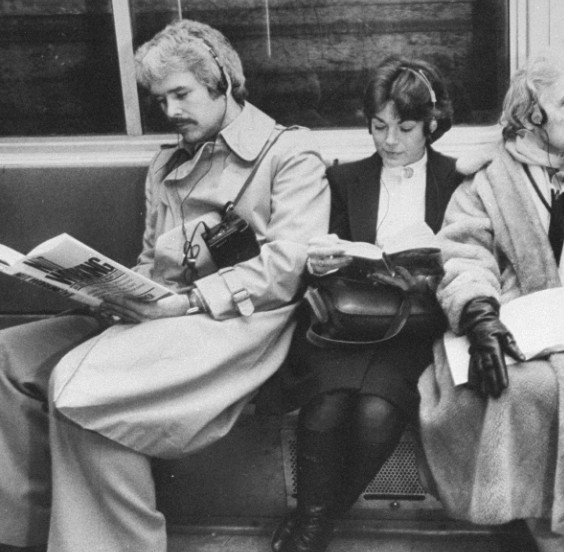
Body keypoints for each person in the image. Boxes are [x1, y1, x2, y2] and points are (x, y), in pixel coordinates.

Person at [0, 20, 329, 552]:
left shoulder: (288, 154)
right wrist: (117, 293)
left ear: (223, 83)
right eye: (161, 100)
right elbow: (154, 259)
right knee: (9, 356)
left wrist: (190, 300)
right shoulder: (166, 165)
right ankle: (34, 534)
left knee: (84, 387)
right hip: (159, 313)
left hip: (236, 322)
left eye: (182, 94)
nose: (171, 110)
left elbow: (289, 264)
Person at [417, 51, 564, 552]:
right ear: (531, 113)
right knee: (527, 387)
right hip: (510, 318)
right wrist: (479, 316)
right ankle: (544, 530)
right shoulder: (488, 180)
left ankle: (547, 527)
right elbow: (464, 257)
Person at [270, 57, 463, 552]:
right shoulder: (345, 180)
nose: (390, 141)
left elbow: (471, 257)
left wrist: (426, 275)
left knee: (375, 416)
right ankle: (312, 527)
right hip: (350, 322)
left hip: (413, 326)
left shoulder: (456, 180)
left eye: (405, 128)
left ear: (431, 124)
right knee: (325, 409)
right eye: (379, 127)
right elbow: (321, 260)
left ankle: (314, 525)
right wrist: (323, 262)